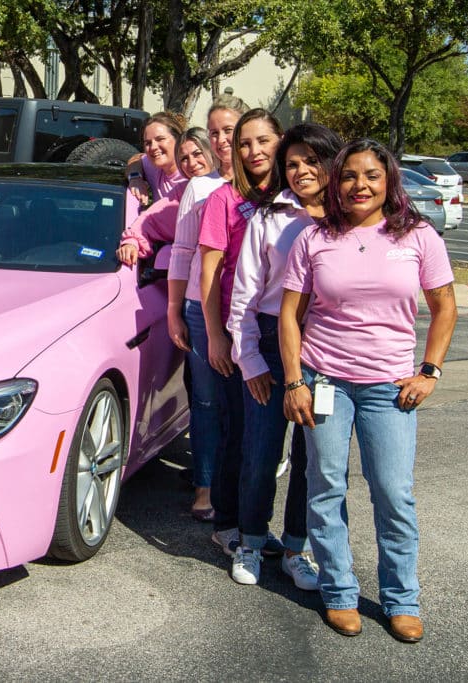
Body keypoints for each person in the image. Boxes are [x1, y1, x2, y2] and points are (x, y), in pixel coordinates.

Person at [280, 138, 457, 642]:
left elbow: (444, 307)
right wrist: (295, 380)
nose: (360, 185)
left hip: (390, 388)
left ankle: (402, 599)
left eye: (372, 175)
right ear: (337, 183)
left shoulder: (418, 237)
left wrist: (430, 371)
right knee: (325, 489)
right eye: (350, 176)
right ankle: (338, 592)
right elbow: (290, 316)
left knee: (393, 494)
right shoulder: (315, 239)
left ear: (389, 181)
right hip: (325, 381)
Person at [225, 123, 343, 589]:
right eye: (291, 164)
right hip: (273, 344)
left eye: (311, 161)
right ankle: (251, 542)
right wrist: (250, 360)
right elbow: (243, 300)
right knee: (261, 450)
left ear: (331, 162)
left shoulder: (347, 220)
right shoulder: (267, 218)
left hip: (330, 347)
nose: (300, 171)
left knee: (315, 456)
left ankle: (297, 548)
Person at [198, 108, 283, 561]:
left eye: (262, 141)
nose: (252, 152)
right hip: (237, 332)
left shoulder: (294, 195)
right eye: (244, 143)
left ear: (280, 140)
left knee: (267, 441)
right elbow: (209, 273)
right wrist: (216, 336)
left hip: (283, 331)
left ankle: (257, 524)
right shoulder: (224, 200)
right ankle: (227, 523)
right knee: (240, 432)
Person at [166, 96, 247, 521]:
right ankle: (206, 484)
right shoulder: (200, 187)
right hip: (202, 308)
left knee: (249, 404)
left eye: (228, 130)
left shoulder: (272, 190)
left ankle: (244, 488)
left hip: (252, 310)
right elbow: (182, 252)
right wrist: (174, 309)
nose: (220, 140)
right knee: (209, 402)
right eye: (213, 131)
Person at [118, 127, 214, 266]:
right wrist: (131, 243)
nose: (192, 163)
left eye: (198, 154)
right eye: (184, 159)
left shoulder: (233, 186)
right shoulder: (183, 192)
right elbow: (150, 220)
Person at [125, 112, 189, 215]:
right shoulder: (155, 168)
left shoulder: (191, 173)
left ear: (178, 140)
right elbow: (136, 159)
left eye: (160, 139)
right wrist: (135, 178)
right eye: (148, 143)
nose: (153, 147)